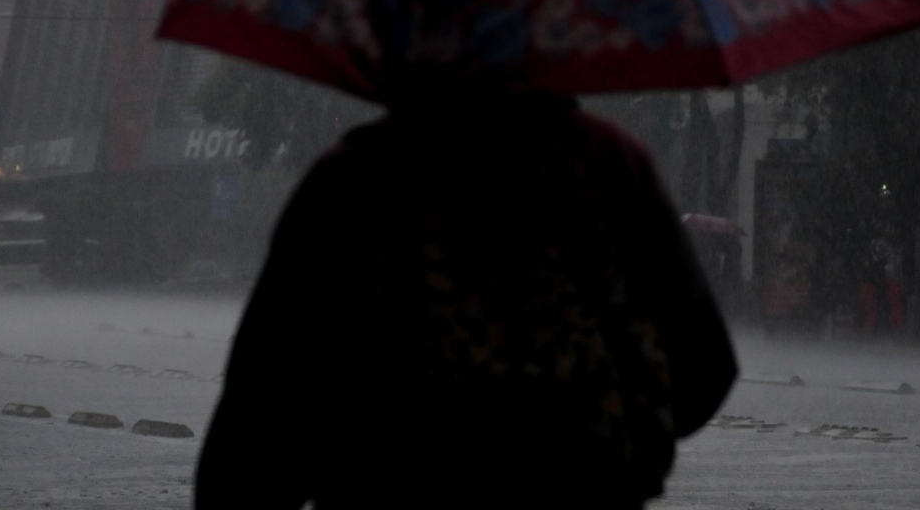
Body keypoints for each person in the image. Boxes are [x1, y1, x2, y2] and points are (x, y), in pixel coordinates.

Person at [196, 83, 737, 509]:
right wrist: (617, 446)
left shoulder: (354, 179)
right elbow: (703, 365)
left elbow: (255, 425)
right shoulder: (610, 165)